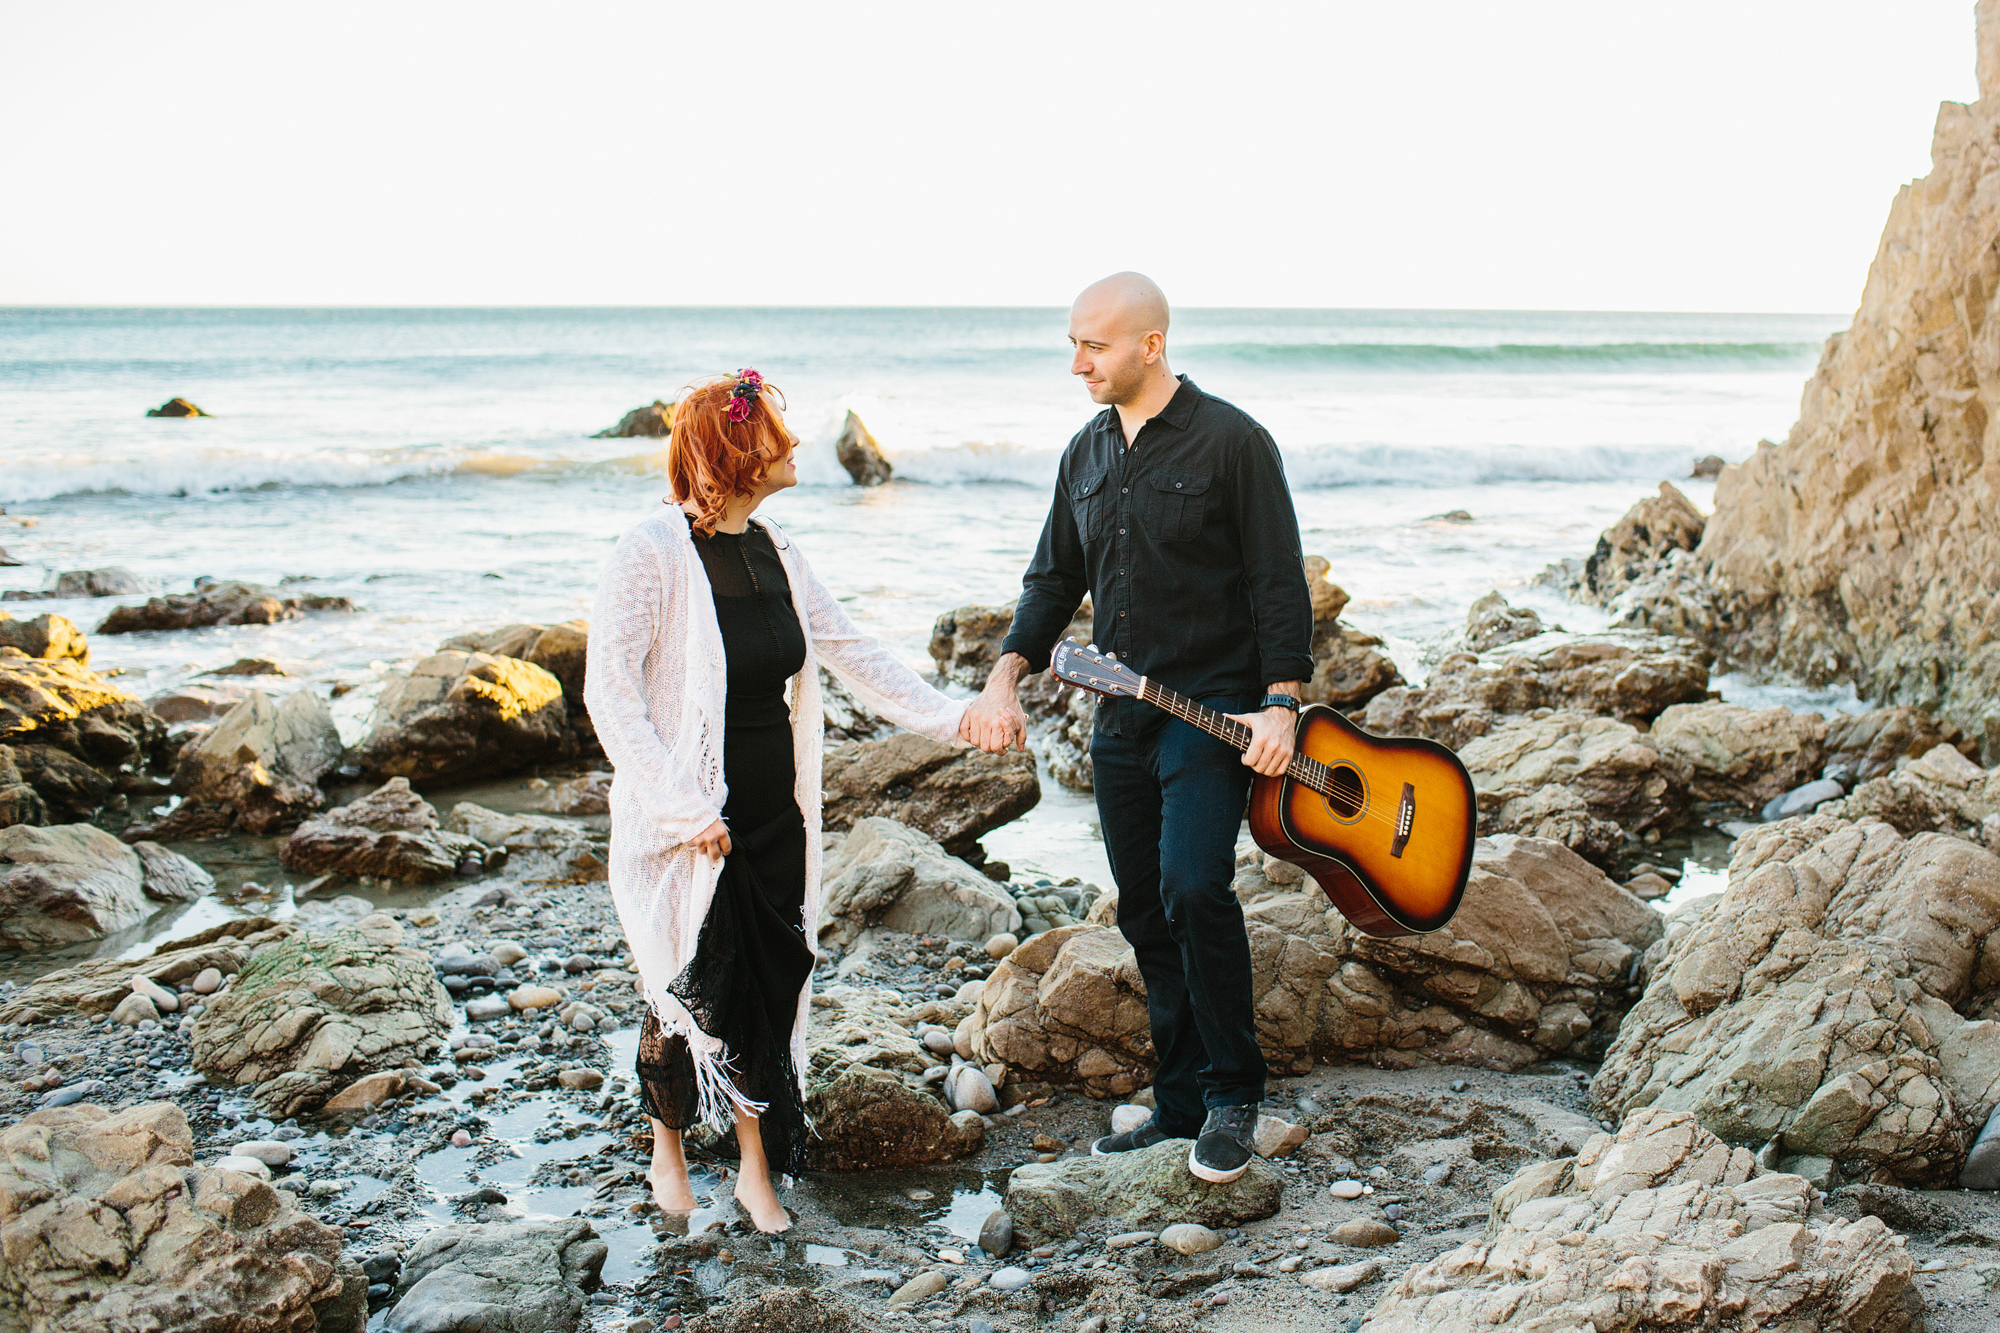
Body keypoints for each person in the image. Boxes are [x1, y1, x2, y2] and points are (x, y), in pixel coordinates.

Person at [584, 368, 970, 1231]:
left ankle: (756, 1169)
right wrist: (685, 810)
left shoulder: (778, 549)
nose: (792, 448)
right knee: (681, 987)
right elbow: (611, 695)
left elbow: (852, 650)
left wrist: (955, 719)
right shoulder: (650, 550)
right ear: (735, 449)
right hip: (689, 825)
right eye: (773, 435)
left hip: (772, 812)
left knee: (769, 985)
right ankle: (668, 1151)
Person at [962, 273, 1314, 1183]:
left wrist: (1281, 703)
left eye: (1096, 345)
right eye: (1074, 344)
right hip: (1118, 720)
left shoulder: (1234, 442)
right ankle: (1180, 1100)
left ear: (1150, 345)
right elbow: (1052, 581)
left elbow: (1278, 579)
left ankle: (1236, 1092)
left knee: (1197, 887)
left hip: (1216, 712)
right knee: (1147, 910)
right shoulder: (1083, 453)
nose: (1078, 363)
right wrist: (1006, 671)